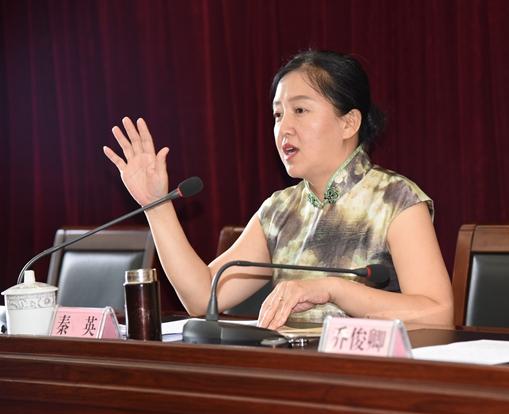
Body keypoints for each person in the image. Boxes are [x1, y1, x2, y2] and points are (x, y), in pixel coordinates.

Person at [103, 50, 453, 330]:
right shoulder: (281, 210)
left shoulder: (396, 199)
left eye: (300, 110)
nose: (284, 128)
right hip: (291, 377)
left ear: (349, 123)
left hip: (367, 381)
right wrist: (156, 205)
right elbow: (201, 296)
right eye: (277, 115)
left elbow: (438, 314)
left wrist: (332, 289)